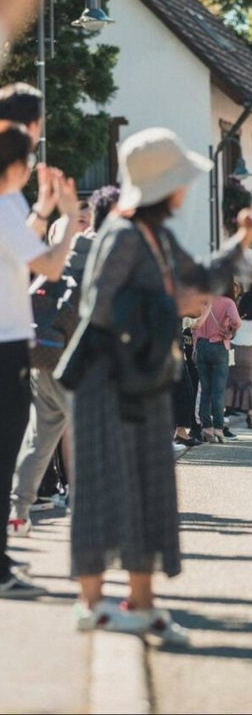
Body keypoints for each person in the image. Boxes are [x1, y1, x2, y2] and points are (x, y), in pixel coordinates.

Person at [66, 127, 252, 638]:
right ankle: (92, 605)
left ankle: (142, 601)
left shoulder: (155, 236)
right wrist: (167, 304)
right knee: (102, 491)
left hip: (143, 379)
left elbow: (199, 276)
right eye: (180, 179)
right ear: (163, 186)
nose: (185, 190)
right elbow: (101, 307)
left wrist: (243, 239)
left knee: (150, 490)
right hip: (107, 380)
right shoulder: (122, 234)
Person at [8, 185, 121, 536]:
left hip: (45, 351)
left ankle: (18, 511)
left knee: (40, 437)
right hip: (82, 362)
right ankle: (92, 515)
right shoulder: (109, 252)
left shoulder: (65, 250)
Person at [0, 123, 80, 599]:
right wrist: (69, 219)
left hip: (13, 338)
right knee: (6, 450)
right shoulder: (6, 201)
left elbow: (21, 244)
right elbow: (48, 266)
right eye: (28, 158)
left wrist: (45, 210)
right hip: (7, 340)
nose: (32, 168)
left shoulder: (10, 204)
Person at [193, 291, 241, 443]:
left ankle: (206, 427)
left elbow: (194, 326)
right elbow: (237, 321)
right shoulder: (227, 302)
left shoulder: (200, 299)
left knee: (205, 390)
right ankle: (219, 429)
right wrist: (230, 333)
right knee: (218, 391)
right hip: (219, 346)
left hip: (201, 346)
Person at [226, 290, 252, 429]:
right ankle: (249, 415)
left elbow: (231, 334)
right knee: (248, 384)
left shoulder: (237, 319)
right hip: (249, 353)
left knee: (231, 382)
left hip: (234, 350)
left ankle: (227, 411)